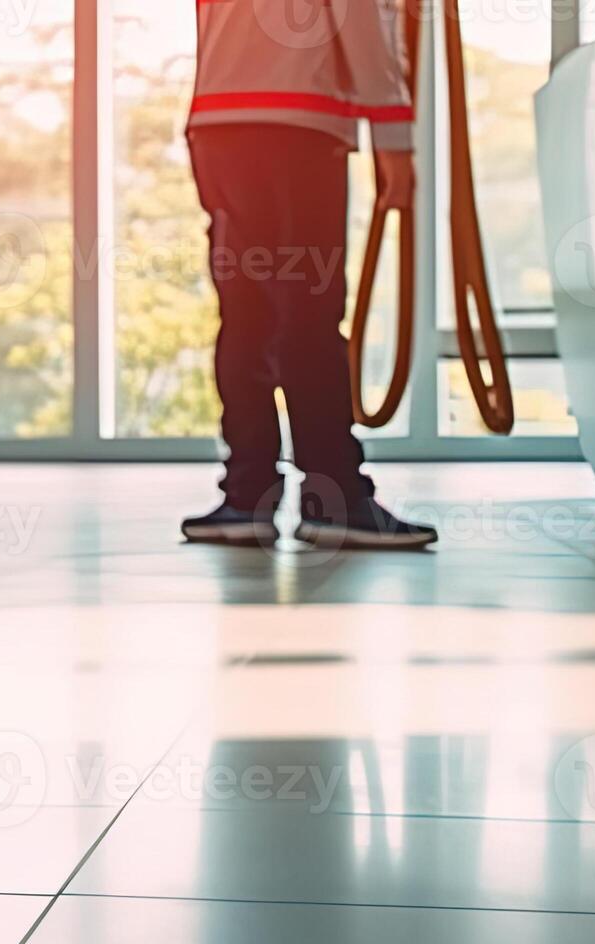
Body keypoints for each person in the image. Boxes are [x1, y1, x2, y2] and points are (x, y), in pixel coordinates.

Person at [177, 0, 438, 550]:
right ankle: (333, 498)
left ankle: (247, 496)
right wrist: (394, 141)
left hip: (218, 124)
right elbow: (363, 19)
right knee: (307, 318)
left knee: (247, 317)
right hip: (298, 123)